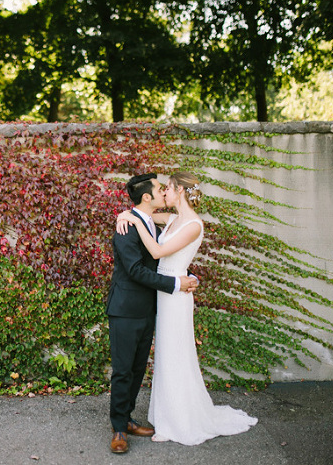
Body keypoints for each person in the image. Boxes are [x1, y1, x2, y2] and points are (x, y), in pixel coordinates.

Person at [116, 171, 258, 446]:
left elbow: (158, 253)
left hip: (176, 297)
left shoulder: (193, 224)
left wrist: (132, 218)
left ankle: (180, 420)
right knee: (166, 356)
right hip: (166, 293)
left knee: (176, 354)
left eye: (167, 188)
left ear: (179, 190)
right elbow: (143, 216)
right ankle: (166, 416)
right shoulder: (171, 219)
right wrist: (127, 216)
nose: (164, 193)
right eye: (162, 189)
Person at [106, 173, 199, 454]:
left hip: (149, 309)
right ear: (147, 197)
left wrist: (184, 275)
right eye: (160, 189)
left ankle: (128, 418)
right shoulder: (126, 227)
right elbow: (135, 271)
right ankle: (119, 429)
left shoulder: (151, 222)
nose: (163, 192)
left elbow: (168, 257)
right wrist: (175, 283)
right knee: (123, 371)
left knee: (136, 369)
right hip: (125, 310)